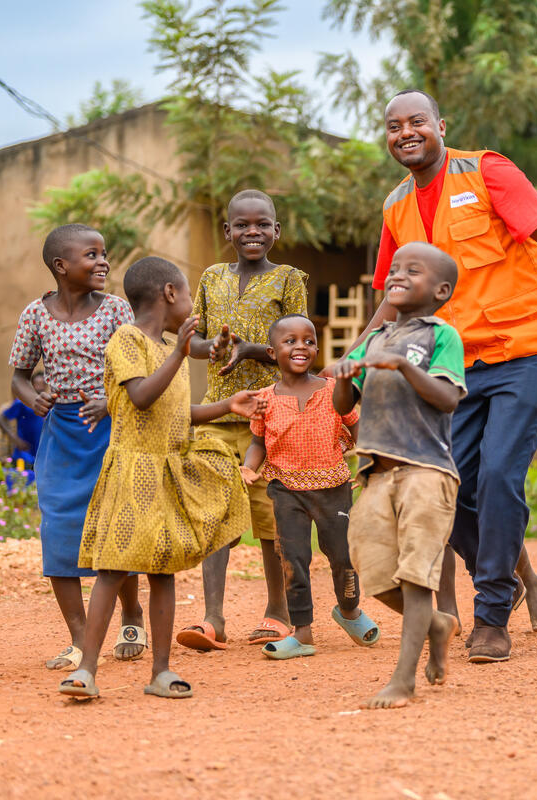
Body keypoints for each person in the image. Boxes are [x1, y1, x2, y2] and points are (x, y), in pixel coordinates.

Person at [362, 89, 537, 662]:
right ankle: (506, 578)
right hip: (458, 366)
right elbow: (393, 297)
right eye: (394, 127)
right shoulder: (397, 205)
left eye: (416, 122)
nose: (406, 133)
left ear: (440, 125)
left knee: (497, 471)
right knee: (450, 481)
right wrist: (355, 357)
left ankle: (492, 612)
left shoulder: (487, 171)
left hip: (530, 347)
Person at [58, 257, 265, 700]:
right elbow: (142, 398)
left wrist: (228, 406)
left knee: (164, 572)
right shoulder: (127, 340)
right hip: (132, 469)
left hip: (166, 469)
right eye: (188, 295)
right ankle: (87, 672)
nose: (190, 306)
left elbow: (177, 413)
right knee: (113, 571)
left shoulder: (171, 349)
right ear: (170, 293)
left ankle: (161, 671)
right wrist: (179, 353)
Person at [330, 242, 464, 708]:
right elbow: (343, 406)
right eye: (395, 268)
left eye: (414, 270)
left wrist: (405, 366)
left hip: (427, 471)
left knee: (415, 576)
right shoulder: (375, 337)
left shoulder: (441, 336)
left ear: (441, 290)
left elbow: (448, 399)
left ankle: (404, 680)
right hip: (376, 474)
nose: (398, 274)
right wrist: (346, 376)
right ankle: (436, 624)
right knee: (376, 573)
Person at [8, 223, 146, 671]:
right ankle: (80, 636)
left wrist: (112, 398)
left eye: (104, 253)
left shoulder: (115, 310)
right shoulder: (35, 314)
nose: (103, 261)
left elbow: (140, 365)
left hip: (111, 428)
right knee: (59, 529)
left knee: (113, 527)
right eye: (92, 255)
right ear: (61, 266)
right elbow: (19, 376)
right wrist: (36, 398)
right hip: (62, 434)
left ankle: (132, 612)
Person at [176, 189, 308, 652]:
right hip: (217, 411)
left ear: (276, 231)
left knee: (270, 517)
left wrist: (253, 350)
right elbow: (193, 342)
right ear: (227, 231)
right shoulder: (212, 277)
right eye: (242, 225)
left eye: (262, 224)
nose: (253, 232)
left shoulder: (290, 279)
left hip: (271, 415)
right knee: (213, 511)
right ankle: (213, 617)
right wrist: (208, 347)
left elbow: (299, 349)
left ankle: (278, 611)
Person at [238, 314, 379, 659]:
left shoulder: (333, 391)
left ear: (316, 347)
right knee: (293, 559)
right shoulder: (265, 399)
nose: (301, 346)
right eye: (290, 341)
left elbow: (357, 428)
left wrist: (369, 465)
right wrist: (248, 467)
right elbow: (258, 442)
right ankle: (302, 632)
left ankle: (349, 611)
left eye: (308, 341)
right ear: (272, 352)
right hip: (285, 489)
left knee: (343, 557)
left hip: (333, 488)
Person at [0, 370, 46, 467]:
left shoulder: (46, 404)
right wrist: (16, 440)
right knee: (23, 479)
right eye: (37, 384)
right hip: (24, 454)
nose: (41, 387)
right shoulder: (22, 403)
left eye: (43, 384)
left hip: (39, 454)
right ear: (32, 385)